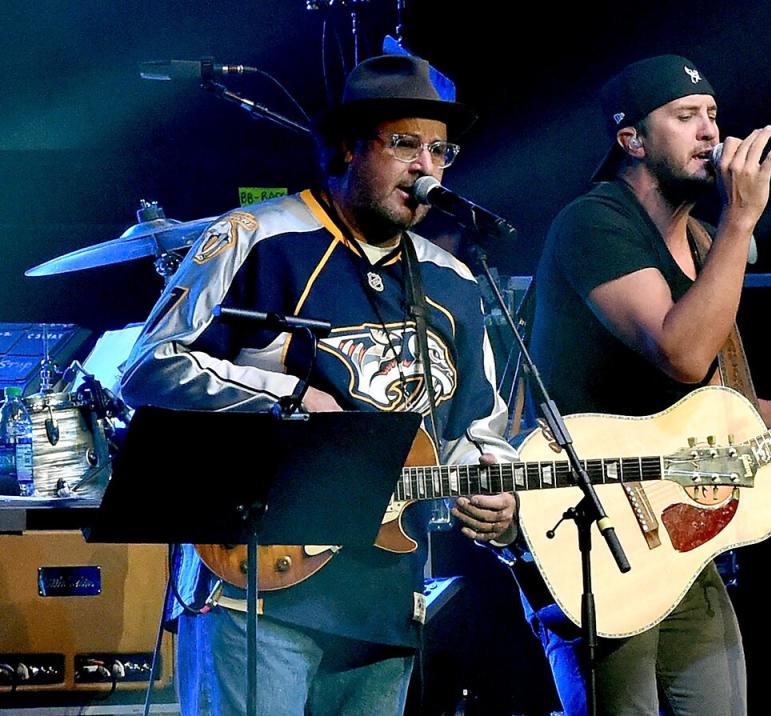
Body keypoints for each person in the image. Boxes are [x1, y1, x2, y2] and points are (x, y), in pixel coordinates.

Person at [120, 54, 518, 716]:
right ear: (346, 147)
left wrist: (495, 496)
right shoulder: (256, 237)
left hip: (389, 603)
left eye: (440, 151)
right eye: (403, 144)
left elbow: (479, 429)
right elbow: (150, 366)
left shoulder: (455, 282)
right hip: (258, 587)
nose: (426, 167)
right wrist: (290, 396)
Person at [522, 54, 771, 715]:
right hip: (595, 536)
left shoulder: (700, 241)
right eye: (685, 117)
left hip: (678, 538)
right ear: (630, 140)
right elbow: (681, 354)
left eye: (714, 117)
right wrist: (741, 221)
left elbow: (716, 405)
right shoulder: (595, 223)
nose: (710, 133)